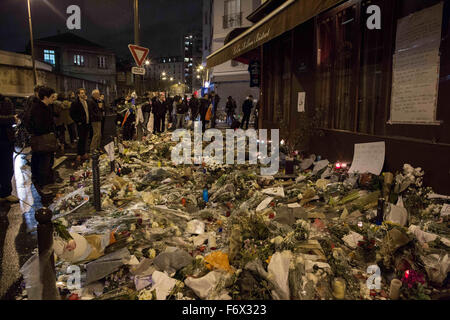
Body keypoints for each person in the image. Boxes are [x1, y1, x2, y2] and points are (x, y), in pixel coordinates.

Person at [29, 87, 57, 192]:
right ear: (45, 97)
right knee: (43, 162)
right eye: (52, 97)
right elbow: (39, 126)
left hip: (45, 140)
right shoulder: (38, 108)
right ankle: (43, 184)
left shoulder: (46, 107)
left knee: (47, 162)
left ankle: (47, 182)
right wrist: (48, 130)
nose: (53, 99)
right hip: (42, 140)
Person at [0, 94, 19, 203]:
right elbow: (12, 117)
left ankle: (6, 193)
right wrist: (11, 119)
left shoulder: (5, 100)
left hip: (6, 139)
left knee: (7, 167)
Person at [70, 88, 90, 163]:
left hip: (87, 123)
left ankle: (83, 153)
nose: (83, 94)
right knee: (80, 139)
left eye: (84, 92)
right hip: (80, 124)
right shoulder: (75, 103)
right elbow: (71, 113)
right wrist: (78, 121)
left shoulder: (85, 102)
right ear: (78, 94)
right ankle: (79, 154)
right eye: (81, 93)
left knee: (85, 139)